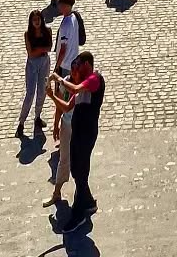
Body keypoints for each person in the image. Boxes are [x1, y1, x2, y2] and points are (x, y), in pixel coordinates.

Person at [63, 50, 105, 231]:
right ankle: (88, 202)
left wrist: (60, 79)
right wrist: (50, 94)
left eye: (78, 66)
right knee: (75, 169)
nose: (76, 70)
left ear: (87, 64)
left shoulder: (94, 79)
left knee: (81, 172)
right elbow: (66, 106)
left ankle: (78, 213)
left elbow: (74, 88)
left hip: (87, 133)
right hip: (77, 132)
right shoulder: (82, 85)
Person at [18, 8, 54, 137]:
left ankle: (37, 116)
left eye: (38, 19)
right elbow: (31, 53)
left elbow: (49, 48)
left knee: (42, 91)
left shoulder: (47, 31)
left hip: (44, 63)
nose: (36, 22)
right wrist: (41, 50)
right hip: (32, 65)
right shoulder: (28, 34)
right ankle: (21, 122)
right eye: (34, 20)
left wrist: (39, 50)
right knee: (30, 93)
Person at [54, 0, 84, 76]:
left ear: (67, 6)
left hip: (65, 64)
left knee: (64, 87)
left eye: (62, 5)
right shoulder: (74, 17)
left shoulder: (65, 25)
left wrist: (57, 66)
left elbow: (63, 49)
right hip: (74, 60)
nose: (59, 7)